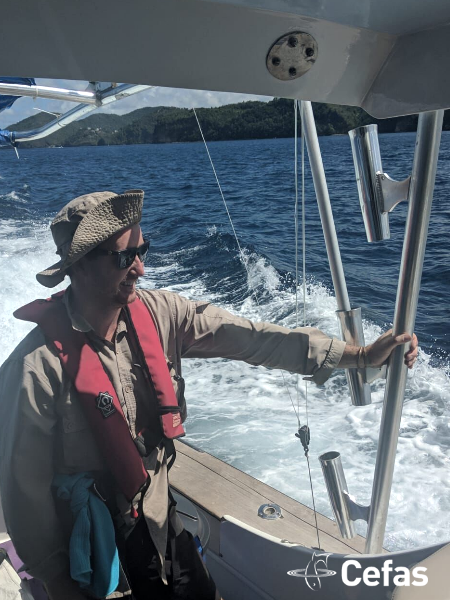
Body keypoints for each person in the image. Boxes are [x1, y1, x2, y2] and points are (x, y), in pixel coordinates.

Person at [0, 190, 418, 600]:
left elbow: (253, 339)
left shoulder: (161, 314)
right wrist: (59, 583)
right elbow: (24, 494)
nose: (141, 269)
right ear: (80, 267)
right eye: (125, 257)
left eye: (142, 249)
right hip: (95, 559)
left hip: (162, 522)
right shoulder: (35, 371)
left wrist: (359, 356)